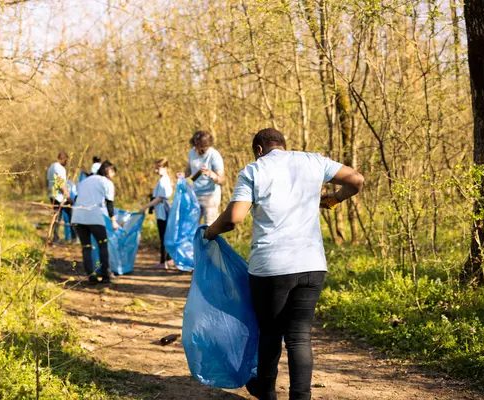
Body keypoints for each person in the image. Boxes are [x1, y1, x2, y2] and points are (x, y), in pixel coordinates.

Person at [204, 128, 364, 400]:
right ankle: (300, 396)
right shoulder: (314, 161)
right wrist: (335, 199)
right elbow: (356, 180)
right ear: (284, 145)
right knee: (300, 337)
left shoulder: (254, 171)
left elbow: (234, 218)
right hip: (312, 264)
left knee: (270, 333)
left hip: (271, 267)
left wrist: (210, 232)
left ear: (258, 149)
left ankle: (266, 392)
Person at [71, 160, 120, 284]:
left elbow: (76, 198)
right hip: (93, 217)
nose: (113, 176)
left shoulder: (85, 181)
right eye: (113, 172)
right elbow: (110, 203)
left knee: (86, 247)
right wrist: (113, 221)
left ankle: (91, 277)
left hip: (77, 217)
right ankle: (106, 275)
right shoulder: (107, 182)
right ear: (109, 171)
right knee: (102, 245)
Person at [181, 130, 225, 224]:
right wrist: (183, 175)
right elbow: (188, 170)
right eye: (195, 146)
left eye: (199, 147)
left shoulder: (214, 156)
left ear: (205, 146)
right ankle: (195, 239)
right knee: (191, 224)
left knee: (209, 226)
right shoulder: (191, 152)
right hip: (195, 194)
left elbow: (222, 180)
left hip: (210, 196)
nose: (196, 149)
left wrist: (213, 175)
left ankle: (206, 239)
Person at [139, 158, 176, 269]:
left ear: (165, 168)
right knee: (165, 236)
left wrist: (146, 206)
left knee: (164, 237)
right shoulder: (164, 179)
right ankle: (168, 260)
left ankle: (164, 261)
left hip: (164, 213)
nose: (156, 170)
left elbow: (160, 198)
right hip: (162, 212)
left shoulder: (164, 180)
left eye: (158, 168)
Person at [46, 152, 72, 244]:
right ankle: (73, 238)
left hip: (52, 195)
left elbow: (48, 181)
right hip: (59, 197)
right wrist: (68, 196)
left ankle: (54, 238)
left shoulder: (51, 167)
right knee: (70, 215)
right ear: (63, 158)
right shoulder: (59, 169)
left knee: (55, 217)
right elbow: (60, 183)